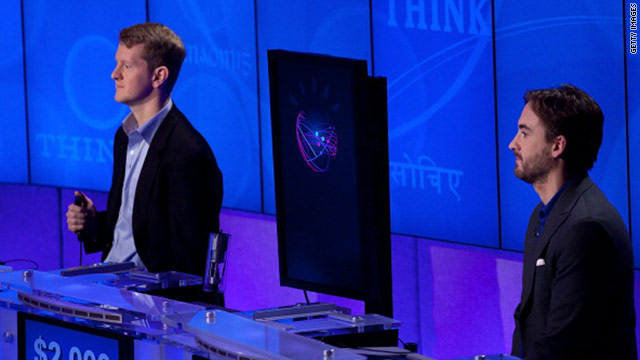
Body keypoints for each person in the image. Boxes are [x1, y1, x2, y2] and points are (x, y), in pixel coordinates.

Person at [66, 23, 223, 277]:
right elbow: (133, 229)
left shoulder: (189, 154)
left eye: (126, 66)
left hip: (151, 302)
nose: (114, 74)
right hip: (112, 284)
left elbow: (188, 261)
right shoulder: (124, 136)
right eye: (117, 64)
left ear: (158, 76)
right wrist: (93, 223)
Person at [508, 84, 636, 359]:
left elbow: (564, 343)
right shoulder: (541, 216)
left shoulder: (587, 228)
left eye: (525, 133)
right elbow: (528, 322)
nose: (513, 144)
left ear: (557, 146)